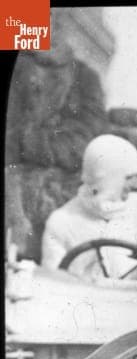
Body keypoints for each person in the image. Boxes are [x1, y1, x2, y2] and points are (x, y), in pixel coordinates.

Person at [4, 45, 108, 261]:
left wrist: (29, 142)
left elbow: (83, 143)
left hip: (57, 187)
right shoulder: (22, 67)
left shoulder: (84, 78)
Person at [40, 134, 137, 281]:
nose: (136, 185)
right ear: (107, 179)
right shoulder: (61, 222)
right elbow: (53, 282)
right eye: (128, 177)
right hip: (88, 301)